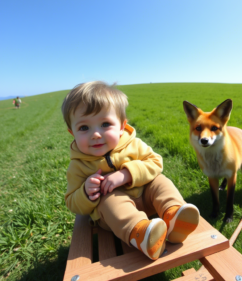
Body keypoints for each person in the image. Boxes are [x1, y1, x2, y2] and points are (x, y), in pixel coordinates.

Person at [61, 81, 200, 260]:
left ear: (121, 126)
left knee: (160, 181)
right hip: (115, 219)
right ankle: (141, 234)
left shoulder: (133, 145)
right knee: (110, 200)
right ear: (72, 132)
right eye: (84, 128)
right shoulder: (78, 165)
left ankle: (174, 214)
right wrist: (86, 193)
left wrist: (126, 174)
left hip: (147, 198)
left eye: (105, 124)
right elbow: (72, 201)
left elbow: (156, 162)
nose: (95, 134)